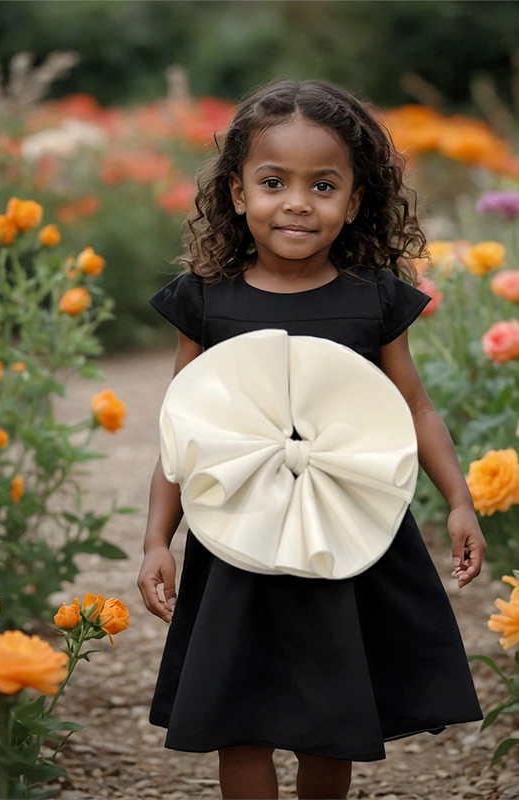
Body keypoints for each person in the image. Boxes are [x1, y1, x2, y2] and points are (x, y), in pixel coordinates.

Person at [137, 78, 485, 800]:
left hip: (345, 539)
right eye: (273, 182)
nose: (296, 201)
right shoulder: (204, 300)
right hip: (236, 538)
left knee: (333, 712)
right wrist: (154, 542)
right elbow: (183, 430)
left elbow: (413, 407)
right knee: (241, 715)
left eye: (322, 185)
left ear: (353, 202)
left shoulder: (371, 297)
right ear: (237, 193)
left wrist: (457, 499)